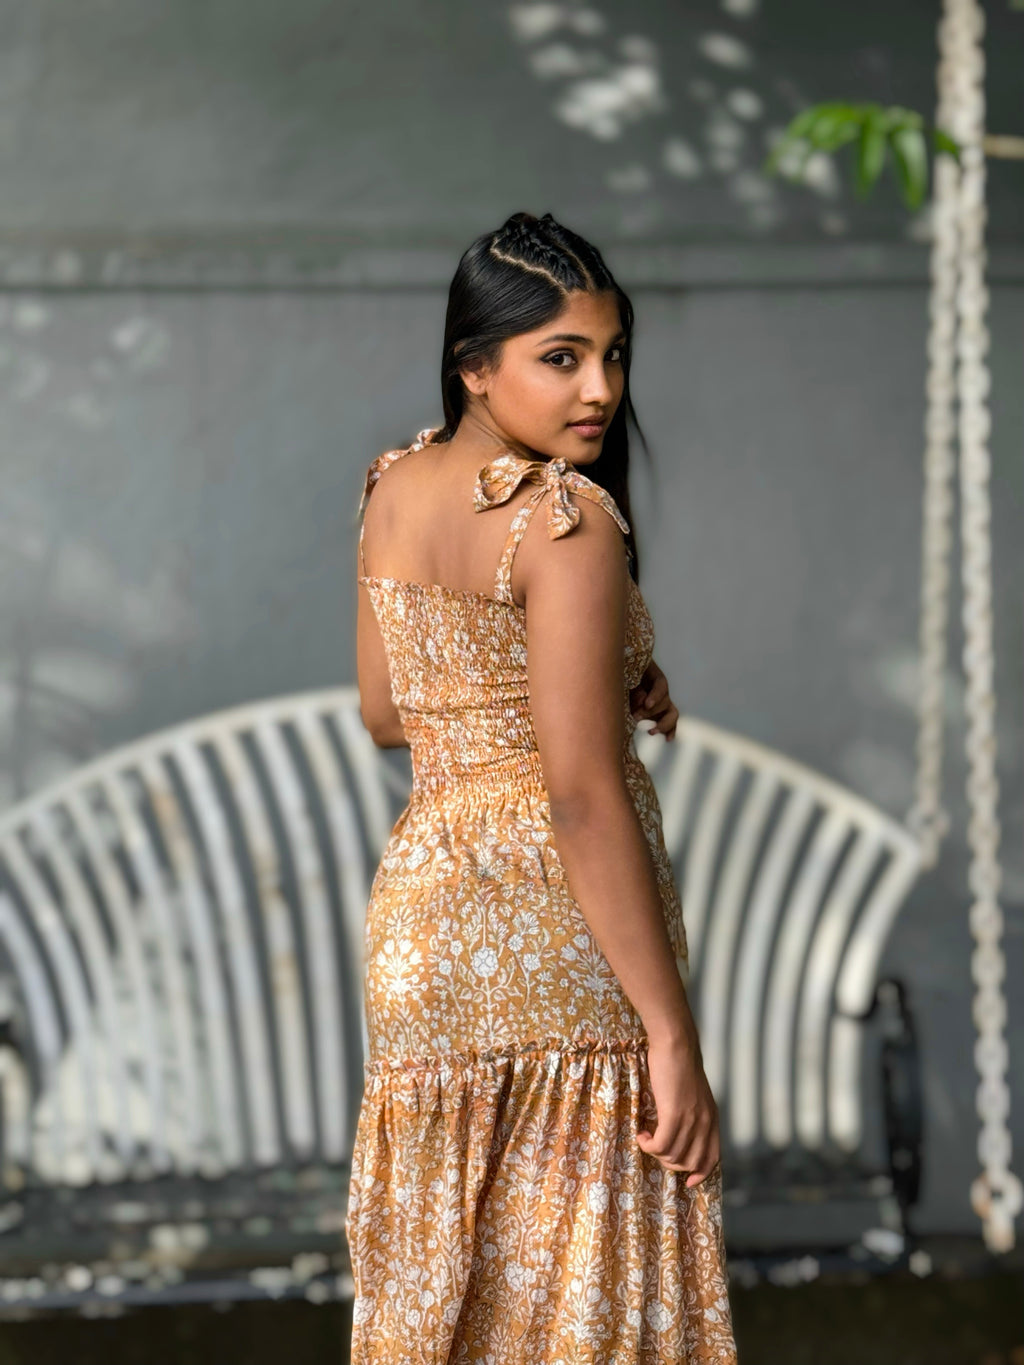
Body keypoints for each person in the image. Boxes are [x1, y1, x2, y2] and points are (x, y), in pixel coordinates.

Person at [347, 210, 737, 1362]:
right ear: (474, 365)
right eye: (559, 357)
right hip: (553, 931)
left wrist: (604, 670)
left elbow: (388, 714)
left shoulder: (395, 484)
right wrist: (670, 1032)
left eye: (612, 355)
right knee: (579, 1299)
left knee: (452, 1293)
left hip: (426, 925)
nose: (600, 388)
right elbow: (578, 795)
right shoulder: (564, 520)